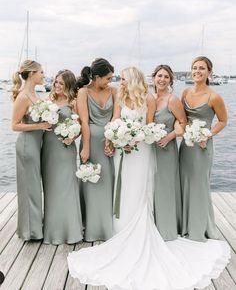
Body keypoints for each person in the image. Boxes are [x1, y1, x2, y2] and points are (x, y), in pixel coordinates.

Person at [68, 67, 230, 290]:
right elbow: (115, 121)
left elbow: (149, 125)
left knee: (139, 187)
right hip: (123, 151)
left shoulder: (149, 99)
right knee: (122, 187)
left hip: (142, 151)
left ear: (133, 80)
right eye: (120, 79)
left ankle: (142, 224)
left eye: (124, 79)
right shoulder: (120, 97)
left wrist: (136, 137)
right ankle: (121, 227)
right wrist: (113, 139)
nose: (121, 82)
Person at [179, 56, 228, 242]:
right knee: (184, 181)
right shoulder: (185, 92)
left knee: (199, 185)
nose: (197, 71)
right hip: (186, 146)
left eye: (201, 68)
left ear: (209, 72)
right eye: (194, 68)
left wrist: (208, 135)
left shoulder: (214, 96)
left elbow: (223, 121)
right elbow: (182, 119)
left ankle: (199, 227)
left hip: (202, 147)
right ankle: (184, 224)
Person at [76, 58, 115, 242]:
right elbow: (84, 121)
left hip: (108, 143)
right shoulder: (83, 92)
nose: (110, 81)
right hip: (90, 142)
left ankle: (107, 226)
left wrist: (112, 141)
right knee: (91, 183)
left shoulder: (114, 91)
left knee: (107, 182)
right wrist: (85, 147)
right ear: (97, 77)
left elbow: (116, 118)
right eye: (107, 78)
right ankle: (90, 226)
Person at [41, 69, 83, 245]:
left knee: (67, 187)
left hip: (65, 148)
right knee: (51, 187)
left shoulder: (73, 102)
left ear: (68, 85)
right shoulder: (47, 100)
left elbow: (81, 125)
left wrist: (72, 136)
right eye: (56, 82)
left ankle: (71, 229)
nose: (57, 85)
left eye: (61, 83)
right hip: (49, 148)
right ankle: (52, 229)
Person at [11, 60, 51, 240]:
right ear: (32, 73)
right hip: (27, 145)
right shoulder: (22, 96)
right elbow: (14, 125)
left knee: (35, 186)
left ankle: (35, 227)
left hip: (37, 145)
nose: (44, 75)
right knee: (29, 187)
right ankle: (30, 231)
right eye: (41, 72)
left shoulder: (34, 93)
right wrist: (40, 126)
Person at [152, 65, 187, 241]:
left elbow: (183, 123)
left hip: (166, 149)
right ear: (154, 78)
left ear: (171, 81)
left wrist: (170, 136)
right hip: (150, 149)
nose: (162, 79)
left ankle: (166, 228)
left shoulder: (173, 100)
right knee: (151, 186)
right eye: (159, 76)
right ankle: (151, 226)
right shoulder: (149, 98)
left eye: (166, 77)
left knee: (165, 186)